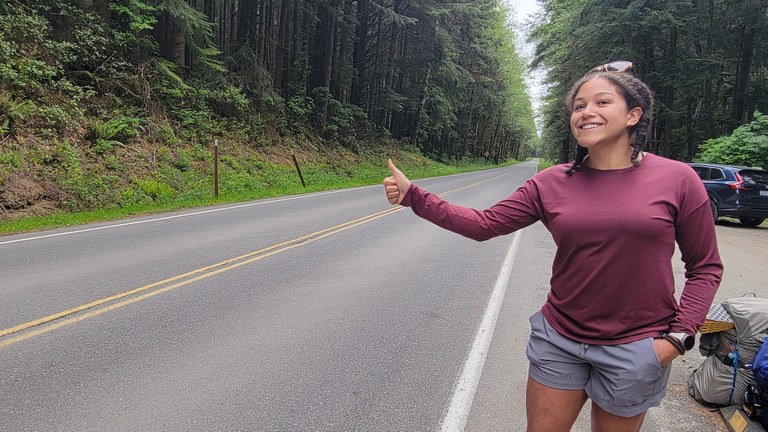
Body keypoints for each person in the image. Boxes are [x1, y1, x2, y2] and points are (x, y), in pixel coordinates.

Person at [382, 61, 723, 432]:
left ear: (634, 115)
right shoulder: (550, 183)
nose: (587, 112)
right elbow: (485, 225)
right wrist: (414, 197)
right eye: (579, 106)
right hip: (560, 338)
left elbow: (705, 266)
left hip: (637, 345)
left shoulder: (677, 179)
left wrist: (677, 338)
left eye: (602, 102)